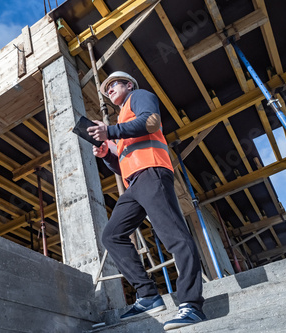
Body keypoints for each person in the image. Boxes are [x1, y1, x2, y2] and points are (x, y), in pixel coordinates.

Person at [87, 71, 206, 330]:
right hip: (135, 182)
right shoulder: (122, 118)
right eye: (106, 89)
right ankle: (148, 296)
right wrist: (107, 153)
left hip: (152, 171)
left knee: (174, 235)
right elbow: (122, 166)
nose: (108, 90)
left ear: (128, 85)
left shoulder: (140, 96)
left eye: (113, 85)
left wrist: (110, 131)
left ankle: (191, 304)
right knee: (112, 235)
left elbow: (151, 122)